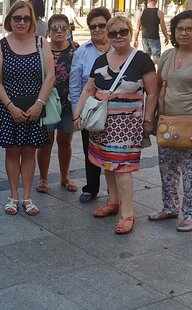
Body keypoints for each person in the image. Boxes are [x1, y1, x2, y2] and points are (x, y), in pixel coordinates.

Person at [74, 15, 158, 234]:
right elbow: (88, 89)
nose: (118, 36)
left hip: (127, 124)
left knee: (122, 168)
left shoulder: (141, 59)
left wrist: (148, 120)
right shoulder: (101, 60)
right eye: (113, 33)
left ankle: (127, 213)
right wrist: (78, 114)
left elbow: (153, 92)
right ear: (108, 36)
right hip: (101, 122)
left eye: (123, 32)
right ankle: (113, 201)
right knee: (106, 164)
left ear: (131, 33)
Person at [149, 10, 192, 232]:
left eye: (189, 29)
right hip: (167, 122)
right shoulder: (168, 55)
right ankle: (169, 207)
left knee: (191, 171)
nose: (184, 33)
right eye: (179, 29)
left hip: (191, 124)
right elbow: (158, 86)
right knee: (166, 169)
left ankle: (191, 214)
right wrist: (152, 117)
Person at [0, 0, 55, 217]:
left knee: (29, 152)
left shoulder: (41, 43)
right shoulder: (1, 45)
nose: (22, 22)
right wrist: (10, 107)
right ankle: (12, 196)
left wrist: (39, 104)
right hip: (9, 107)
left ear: (32, 21)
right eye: (17, 18)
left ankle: (27, 197)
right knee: (12, 152)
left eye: (26, 18)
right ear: (10, 20)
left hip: (34, 106)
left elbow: (50, 77)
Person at [69, 7, 112, 203]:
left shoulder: (119, 48)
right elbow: (75, 85)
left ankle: (116, 191)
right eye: (92, 26)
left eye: (101, 25)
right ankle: (91, 187)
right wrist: (76, 114)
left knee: (115, 151)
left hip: (116, 110)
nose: (97, 29)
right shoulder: (82, 52)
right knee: (91, 150)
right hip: (91, 110)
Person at [36, 14, 78, 194]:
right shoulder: (41, 50)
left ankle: (65, 176)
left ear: (69, 30)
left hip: (68, 104)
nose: (59, 31)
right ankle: (43, 178)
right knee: (45, 141)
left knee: (65, 141)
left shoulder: (76, 50)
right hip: (47, 103)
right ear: (49, 31)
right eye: (55, 28)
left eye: (63, 28)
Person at [134, 0, 169, 64]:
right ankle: (153, 70)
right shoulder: (159, 12)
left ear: (149, 0)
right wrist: (166, 37)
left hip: (144, 37)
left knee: (146, 57)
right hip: (154, 37)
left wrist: (135, 39)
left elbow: (137, 27)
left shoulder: (142, 12)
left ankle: (147, 71)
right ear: (156, 0)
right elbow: (163, 27)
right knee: (156, 57)